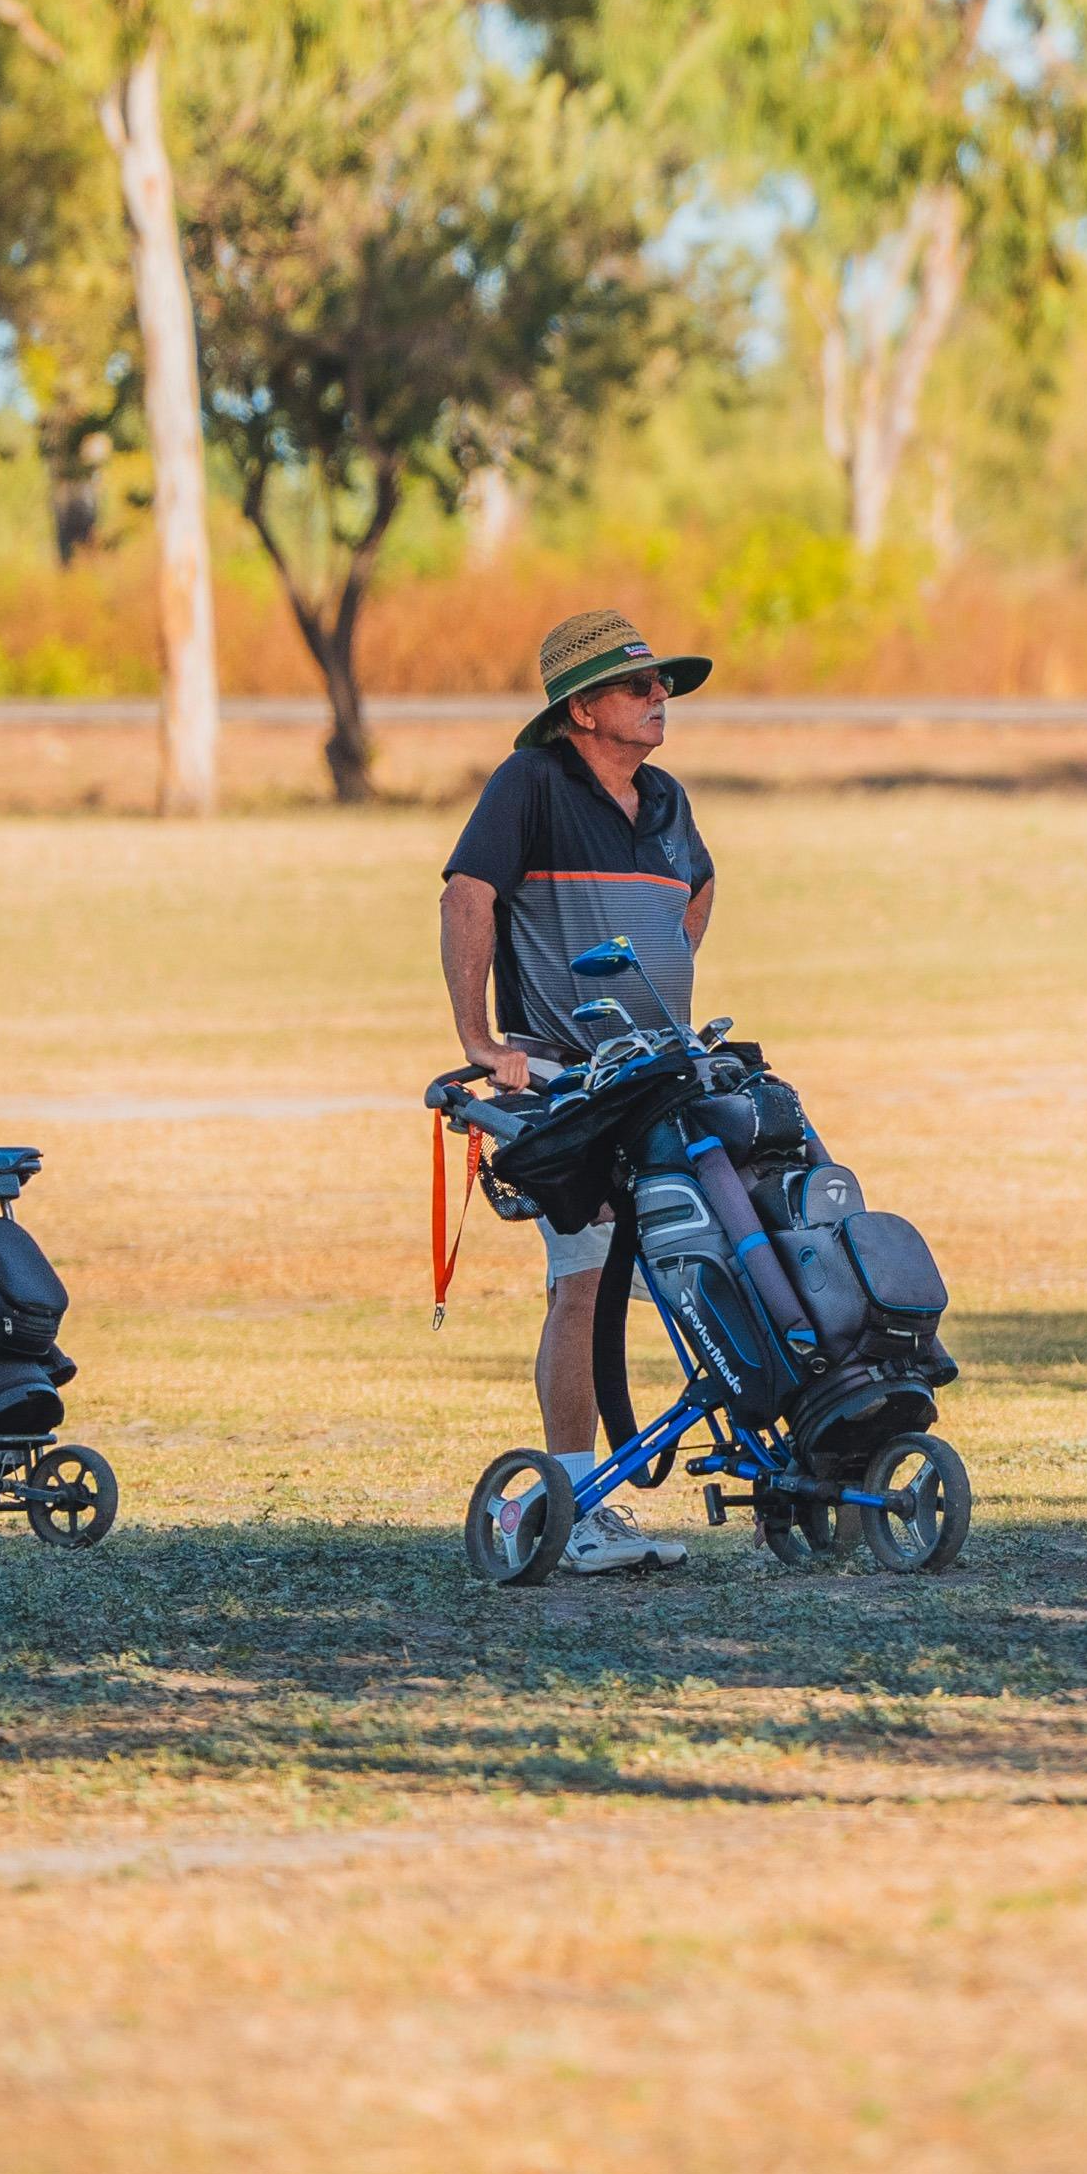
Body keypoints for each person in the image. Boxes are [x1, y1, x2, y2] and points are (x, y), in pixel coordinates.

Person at [440, 605, 718, 1577]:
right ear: (583, 707)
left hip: (664, 1078)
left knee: (714, 1254)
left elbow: (698, 890)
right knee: (588, 1281)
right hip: (567, 1080)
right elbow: (467, 895)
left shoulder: (668, 799)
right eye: (640, 687)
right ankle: (571, 1503)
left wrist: (668, 981)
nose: (660, 700)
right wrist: (481, 1039)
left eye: (664, 685)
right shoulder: (530, 784)